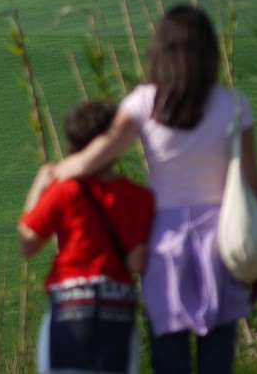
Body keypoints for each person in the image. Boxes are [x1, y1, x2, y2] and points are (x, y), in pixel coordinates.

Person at [54, 6, 257, 374]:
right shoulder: (234, 107)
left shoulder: (142, 104)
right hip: (223, 244)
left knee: (169, 361)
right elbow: (252, 186)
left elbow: (93, 159)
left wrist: (52, 174)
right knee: (217, 362)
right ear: (208, 52)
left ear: (160, 51)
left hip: (162, 248)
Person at [19, 100, 155, 374]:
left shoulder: (64, 192)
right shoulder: (140, 198)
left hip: (69, 307)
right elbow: (137, 263)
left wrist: (38, 187)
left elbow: (27, 243)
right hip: (116, 308)